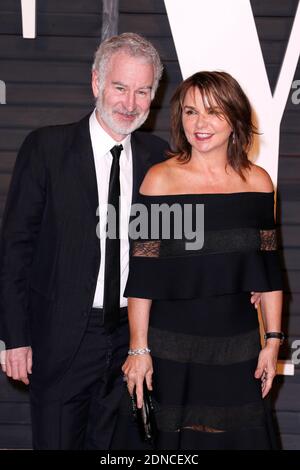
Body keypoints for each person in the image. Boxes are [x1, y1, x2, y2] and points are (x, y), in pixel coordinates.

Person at [0, 32, 169, 450]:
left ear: (155, 95)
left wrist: (248, 280)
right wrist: (15, 336)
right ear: (96, 83)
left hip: (133, 341)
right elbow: (14, 250)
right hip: (60, 341)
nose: (130, 103)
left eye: (143, 91)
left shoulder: (159, 157)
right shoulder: (46, 148)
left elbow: (186, 240)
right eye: (120, 87)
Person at [122, 71, 284, 450]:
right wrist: (138, 349)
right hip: (171, 347)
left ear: (234, 118)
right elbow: (143, 274)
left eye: (212, 112)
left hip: (237, 344)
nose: (200, 123)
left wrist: (273, 341)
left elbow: (269, 270)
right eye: (191, 112)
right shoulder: (159, 181)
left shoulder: (258, 183)